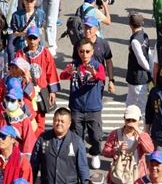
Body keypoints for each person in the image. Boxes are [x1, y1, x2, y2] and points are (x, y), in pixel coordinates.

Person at [59, 39, 105, 170]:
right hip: (76, 108)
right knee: (77, 137)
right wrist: (68, 73)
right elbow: (62, 76)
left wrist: (94, 73)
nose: (84, 54)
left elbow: (102, 76)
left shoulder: (97, 65)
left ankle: (95, 153)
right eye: (81, 51)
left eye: (87, 51)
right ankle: (80, 158)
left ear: (92, 51)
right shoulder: (74, 65)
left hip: (93, 108)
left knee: (96, 136)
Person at [29, 107, 89, 184]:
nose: (59, 123)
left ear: (69, 124)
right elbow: (34, 164)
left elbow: (83, 167)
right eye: (57, 121)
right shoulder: (42, 138)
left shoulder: (77, 141)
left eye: (62, 121)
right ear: (53, 121)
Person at [102, 105, 153, 184]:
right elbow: (105, 151)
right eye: (128, 120)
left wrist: (139, 132)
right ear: (124, 119)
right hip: (119, 175)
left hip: (137, 175)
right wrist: (116, 150)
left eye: (133, 120)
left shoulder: (143, 136)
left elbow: (149, 150)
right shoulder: (115, 134)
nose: (130, 123)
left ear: (139, 120)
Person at [125, 13, 152, 109]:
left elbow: (141, 60)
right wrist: (151, 69)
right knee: (131, 100)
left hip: (137, 76)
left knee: (139, 102)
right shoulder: (144, 35)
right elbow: (149, 54)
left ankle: (142, 122)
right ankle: (130, 119)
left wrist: (149, 70)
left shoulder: (135, 41)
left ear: (131, 25)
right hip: (141, 76)